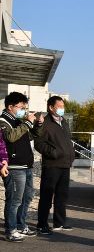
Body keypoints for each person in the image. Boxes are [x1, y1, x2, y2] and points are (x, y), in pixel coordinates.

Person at [0, 92, 44, 242]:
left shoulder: (19, 121)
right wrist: (27, 123)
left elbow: (33, 136)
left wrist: (37, 124)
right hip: (13, 167)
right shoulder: (3, 120)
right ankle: (11, 230)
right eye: (20, 107)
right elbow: (10, 137)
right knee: (14, 200)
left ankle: (20, 225)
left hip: (27, 166)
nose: (23, 110)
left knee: (27, 197)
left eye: (25, 108)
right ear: (10, 106)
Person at [34, 96, 76, 234]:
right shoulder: (44, 123)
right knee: (47, 195)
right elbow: (39, 144)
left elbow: (67, 141)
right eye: (59, 106)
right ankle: (42, 224)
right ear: (51, 107)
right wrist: (55, 153)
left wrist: (71, 153)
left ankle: (59, 223)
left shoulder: (63, 122)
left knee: (62, 196)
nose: (62, 109)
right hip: (52, 165)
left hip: (65, 164)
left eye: (63, 106)